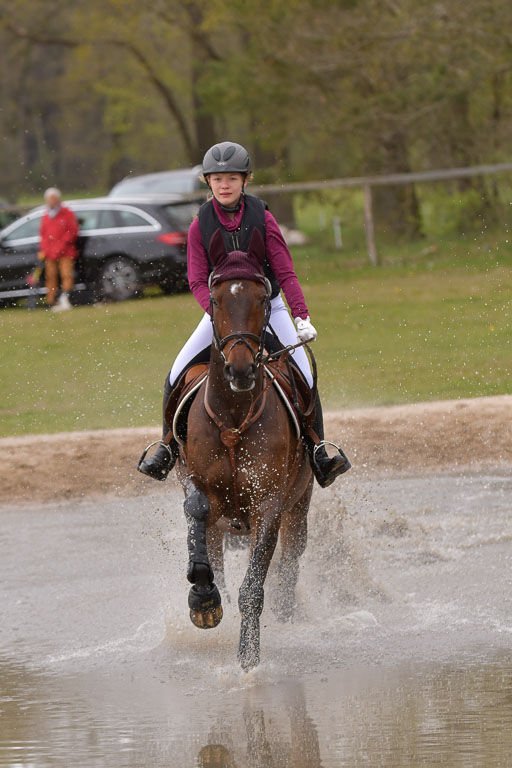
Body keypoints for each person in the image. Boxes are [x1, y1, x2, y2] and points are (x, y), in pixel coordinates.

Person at [137, 141, 350, 487]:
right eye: (218, 178)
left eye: (232, 178)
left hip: (270, 306)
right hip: (221, 313)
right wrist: (220, 316)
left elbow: (285, 272)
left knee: (306, 373)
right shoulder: (198, 226)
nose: (225, 185)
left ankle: (318, 449)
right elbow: (195, 280)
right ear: (208, 182)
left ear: (245, 180)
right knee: (176, 373)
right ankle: (166, 447)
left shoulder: (263, 219)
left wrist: (302, 316)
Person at [39, 187, 79, 311]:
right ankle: (52, 301)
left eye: (53, 198)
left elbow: (72, 231)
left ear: (58, 199)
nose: (51, 201)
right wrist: (45, 249)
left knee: (66, 275)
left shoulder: (66, 213)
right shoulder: (46, 215)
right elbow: (43, 234)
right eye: (49, 199)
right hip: (50, 254)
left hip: (65, 252)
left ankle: (65, 297)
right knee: (50, 277)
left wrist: (59, 247)